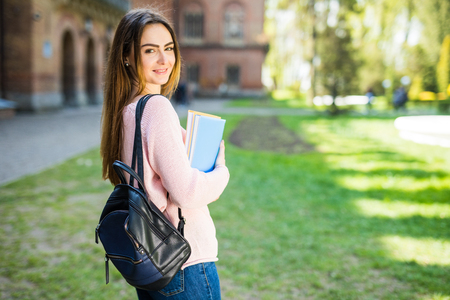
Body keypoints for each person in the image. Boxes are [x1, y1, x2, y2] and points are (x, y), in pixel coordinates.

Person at [100, 8, 230, 300]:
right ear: (127, 56)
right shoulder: (156, 108)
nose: (164, 60)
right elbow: (186, 192)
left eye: (168, 48)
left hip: (151, 260)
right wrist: (221, 172)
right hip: (184, 264)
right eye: (150, 50)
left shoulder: (126, 109)